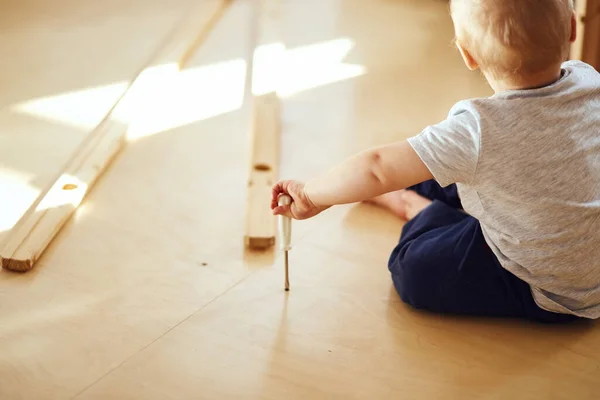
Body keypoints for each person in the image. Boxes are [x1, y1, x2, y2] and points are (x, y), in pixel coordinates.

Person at [270, 0, 600, 323]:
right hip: (585, 255)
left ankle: (417, 208)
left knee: (414, 270)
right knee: (444, 164)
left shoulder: (478, 128)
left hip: (545, 287)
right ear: (572, 27)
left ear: (467, 55)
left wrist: (310, 195)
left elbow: (377, 167)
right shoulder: (589, 81)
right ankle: (430, 194)